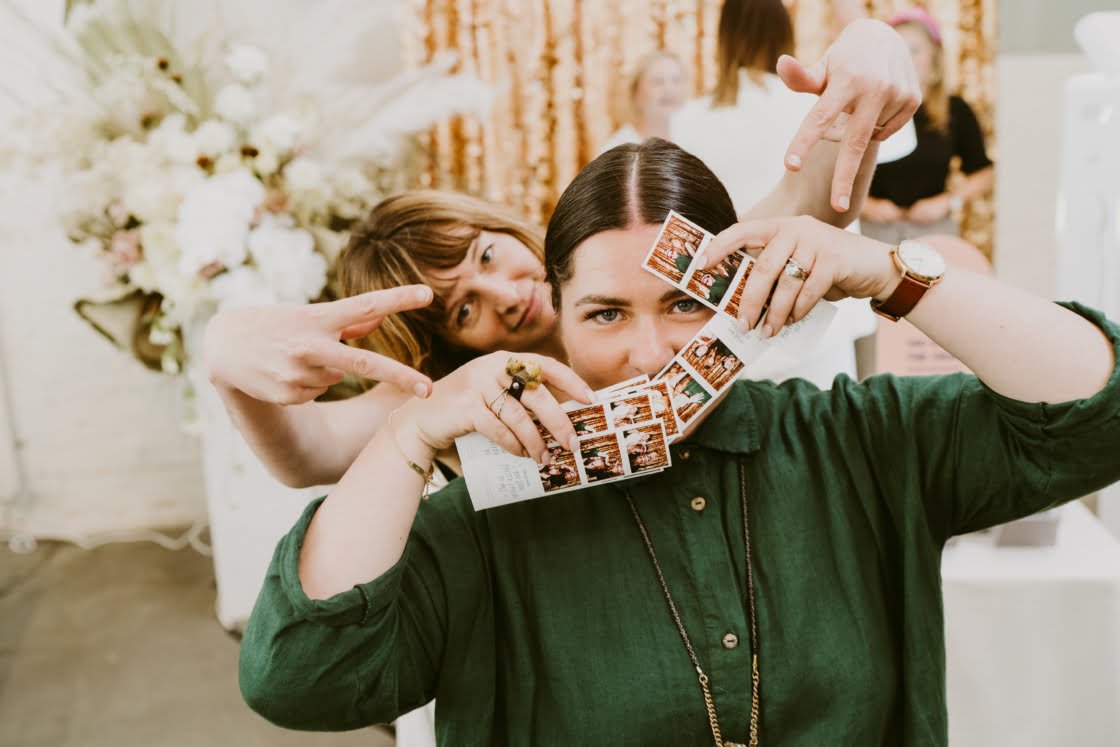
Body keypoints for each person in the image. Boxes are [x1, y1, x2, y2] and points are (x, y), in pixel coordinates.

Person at [239, 137, 1120, 744]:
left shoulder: (855, 439)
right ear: (558, 318)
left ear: (736, 298)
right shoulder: (480, 519)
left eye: (685, 304)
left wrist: (891, 274)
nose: (650, 352)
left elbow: (1097, 417)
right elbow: (296, 675)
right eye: (606, 314)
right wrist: (405, 436)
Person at [204, 18, 920, 491]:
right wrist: (225, 355)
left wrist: (871, 48)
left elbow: (809, 204)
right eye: (464, 309)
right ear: (444, 346)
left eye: (488, 258)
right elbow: (308, 455)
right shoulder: (455, 391)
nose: (506, 294)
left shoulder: (644, 260)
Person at [671, 0, 894, 388]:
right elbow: (895, 139)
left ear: (722, 39)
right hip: (821, 299)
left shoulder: (689, 119)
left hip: (737, 310)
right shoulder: (817, 105)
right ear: (785, 33)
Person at [860, 8, 995, 245]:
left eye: (914, 50)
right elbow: (834, 172)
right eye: (897, 51)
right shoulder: (866, 107)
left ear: (934, 57)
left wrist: (947, 202)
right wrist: (866, 205)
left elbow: (985, 173)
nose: (905, 59)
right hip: (873, 235)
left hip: (935, 235)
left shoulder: (955, 110)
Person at [599, 50, 689, 154]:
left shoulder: (693, 136)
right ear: (635, 91)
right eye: (657, 82)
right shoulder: (615, 150)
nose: (669, 89)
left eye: (676, 80)